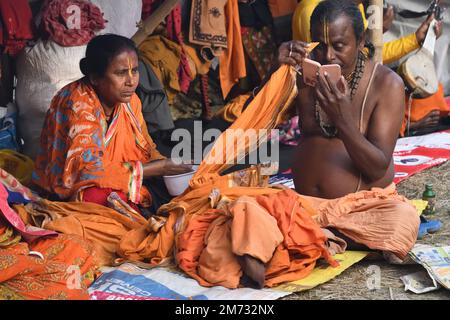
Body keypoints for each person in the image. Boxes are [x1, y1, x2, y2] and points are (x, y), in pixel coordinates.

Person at [278, 0, 419, 249]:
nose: (328, 55)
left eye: (339, 46)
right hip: (305, 205)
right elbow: (256, 122)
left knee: (402, 220)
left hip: (360, 209)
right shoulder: (305, 75)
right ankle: (320, 234)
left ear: (361, 41)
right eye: (319, 46)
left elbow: (376, 168)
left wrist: (342, 119)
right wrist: (275, 71)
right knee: (245, 210)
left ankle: (314, 236)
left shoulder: (386, 84)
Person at [32, 34, 192, 214]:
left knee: (187, 186)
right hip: (73, 188)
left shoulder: (131, 102)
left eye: (135, 71)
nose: (131, 81)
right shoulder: (76, 105)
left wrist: (170, 166)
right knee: (102, 198)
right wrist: (158, 168)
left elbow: (146, 148)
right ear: (95, 77)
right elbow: (86, 171)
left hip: (122, 176)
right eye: (121, 73)